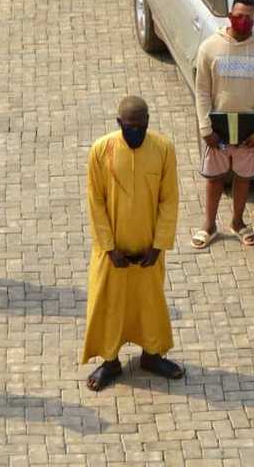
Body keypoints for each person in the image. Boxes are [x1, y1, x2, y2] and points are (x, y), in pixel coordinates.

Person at [82, 96, 183, 390]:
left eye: (140, 127)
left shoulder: (163, 149)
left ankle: (151, 356)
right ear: (119, 124)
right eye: (130, 127)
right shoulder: (101, 150)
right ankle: (110, 362)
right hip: (111, 251)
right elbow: (96, 201)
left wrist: (159, 244)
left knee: (149, 304)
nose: (135, 132)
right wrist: (109, 247)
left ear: (148, 123)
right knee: (108, 305)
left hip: (149, 249)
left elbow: (169, 199)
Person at [191, 0, 254, 250]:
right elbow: (202, 90)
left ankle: (237, 222)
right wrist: (205, 128)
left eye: (248, 17)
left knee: (242, 177)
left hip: (249, 129)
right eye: (238, 16)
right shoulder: (209, 48)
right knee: (215, 177)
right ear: (230, 16)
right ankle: (208, 226)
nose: (243, 21)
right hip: (217, 127)